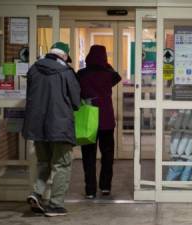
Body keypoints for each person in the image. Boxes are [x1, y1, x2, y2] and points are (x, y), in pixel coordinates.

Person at [22, 42, 80, 216]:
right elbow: (76, 101)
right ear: (63, 56)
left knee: (43, 162)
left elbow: (29, 96)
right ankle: (55, 204)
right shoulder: (66, 72)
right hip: (60, 126)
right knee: (62, 164)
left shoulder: (33, 70)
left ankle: (36, 193)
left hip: (37, 126)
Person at [77, 45, 121, 199]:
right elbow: (118, 76)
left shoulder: (81, 74)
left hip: (88, 118)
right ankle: (105, 187)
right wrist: (106, 65)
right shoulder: (109, 74)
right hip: (106, 120)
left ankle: (90, 190)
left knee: (88, 156)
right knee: (107, 155)